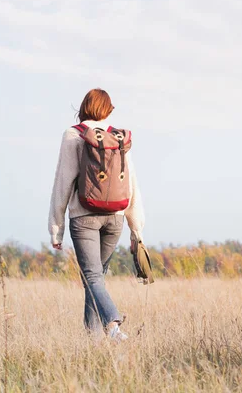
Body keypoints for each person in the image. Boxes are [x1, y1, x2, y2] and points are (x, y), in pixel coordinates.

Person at [48, 88, 145, 341]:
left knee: (92, 277)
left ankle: (113, 325)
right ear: (108, 110)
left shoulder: (73, 135)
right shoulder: (118, 138)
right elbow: (131, 183)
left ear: (83, 107)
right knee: (95, 279)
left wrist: (56, 227)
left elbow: (63, 181)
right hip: (116, 218)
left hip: (84, 216)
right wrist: (136, 228)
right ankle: (93, 342)